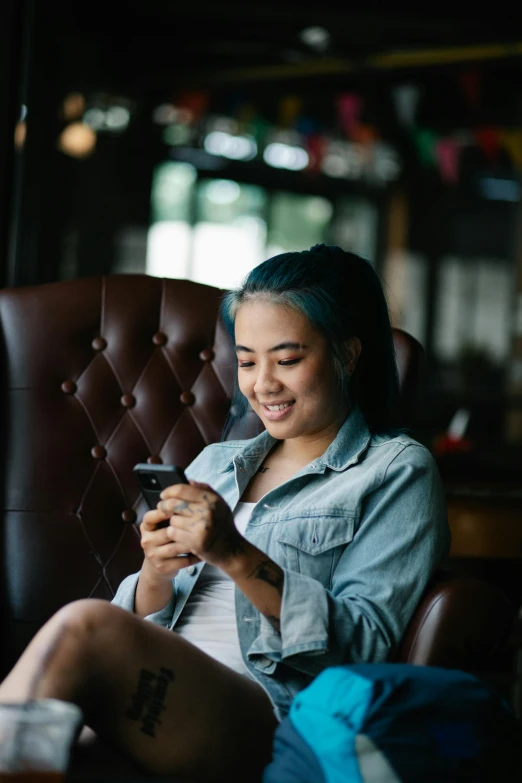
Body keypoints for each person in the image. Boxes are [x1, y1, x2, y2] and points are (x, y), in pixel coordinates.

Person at [0, 245, 449, 782]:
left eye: (286, 360)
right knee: (42, 730)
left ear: (346, 354)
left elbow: (364, 645)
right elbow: (140, 622)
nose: (263, 384)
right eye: (246, 361)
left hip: (274, 717)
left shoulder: (396, 471)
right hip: (157, 694)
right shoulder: (216, 463)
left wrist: (234, 553)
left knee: (84, 627)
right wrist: (157, 573)